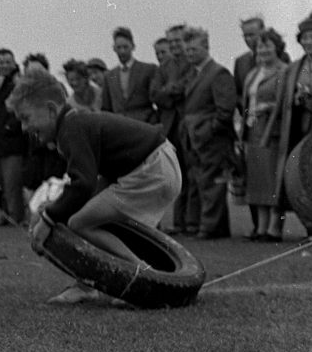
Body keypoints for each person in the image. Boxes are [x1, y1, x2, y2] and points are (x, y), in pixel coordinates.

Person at [11, 69, 181, 304]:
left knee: (80, 222)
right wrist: (57, 208)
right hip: (156, 165)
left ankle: (141, 275)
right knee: (84, 215)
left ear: (51, 110)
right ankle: (87, 284)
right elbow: (88, 185)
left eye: (26, 118)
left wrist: (47, 220)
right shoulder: (72, 125)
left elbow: (83, 184)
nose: (23, 127)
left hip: (152, 169)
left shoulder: (72, 127)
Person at [261, 8, 312, 237]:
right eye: (305, 37)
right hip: (297, 127)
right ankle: (305, 226)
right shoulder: (296, 67)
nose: (309, 41)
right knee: (294, 178)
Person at [180, 26, 236, 239]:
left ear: (206, 47)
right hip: (194, 138)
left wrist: (209, 131)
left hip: (212, 139)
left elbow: (225, 110)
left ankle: (209, 228)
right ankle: (216, 227)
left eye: (193, 49)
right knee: (203, 182)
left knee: (213, 182)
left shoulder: (218, 73)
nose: (189, 53)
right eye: (187, 50)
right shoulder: (194, 74)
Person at [242, 30, 286, 240]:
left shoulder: (284, 71)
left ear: (277, 47)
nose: (264, 50)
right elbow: (246, 103)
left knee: (273, 180)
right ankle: (261, 228)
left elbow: (286, 102)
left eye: (268, 46)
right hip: (253, 130)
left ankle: (274, 229)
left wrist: (268, 106)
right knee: (258, 180)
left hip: (273, 131)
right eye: (260, 46)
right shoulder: (253, 72)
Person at [149, 29, 192, 233]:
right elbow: (155, 94)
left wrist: (170, 90)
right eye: (171, 41)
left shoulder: (192, 63)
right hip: (169, 126)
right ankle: (179, 222)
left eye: (178, 41)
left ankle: (191, 222)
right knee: (176, 175)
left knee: (192, 174)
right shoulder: (164, 66)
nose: (174, 45)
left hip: (186, 123)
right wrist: (173, 91)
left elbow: (188, 88)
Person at [0, 48, 27, 226]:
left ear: (14, 62)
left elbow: (20, 109)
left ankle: (15, 216)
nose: (4, 65)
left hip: (12, 140)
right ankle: (7, 215)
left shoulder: (18, 82)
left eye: (8, 62)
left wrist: (9, 127)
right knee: (2, 181)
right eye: (1, 62)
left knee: (12, 182)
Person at [100, 27, 158, 123]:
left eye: (125, 47)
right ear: (114, 48)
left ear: (133, 46)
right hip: (119, 127)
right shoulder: (110, 76)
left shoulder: (148, 69)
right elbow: (106, 108)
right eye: (119, 47)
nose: (122, 51)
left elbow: (156, 99)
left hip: (144, 124)